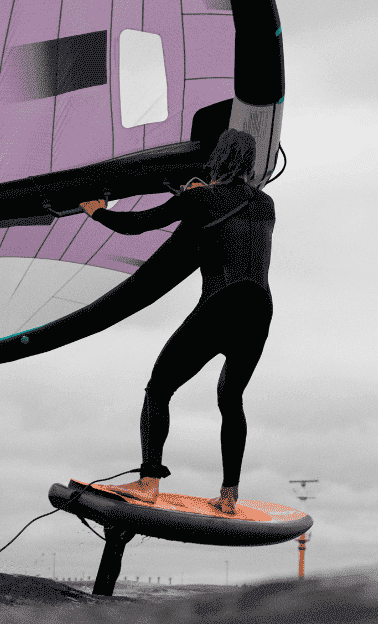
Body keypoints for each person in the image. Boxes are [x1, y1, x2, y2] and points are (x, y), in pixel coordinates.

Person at [79, 129, 275, 515]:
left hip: (222, 305)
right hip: (260, 309)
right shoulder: (267, 204)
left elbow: (138, 225)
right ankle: (229, 496)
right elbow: (228, 225)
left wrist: (96, 210)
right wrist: (195, 195)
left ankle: (148, 481)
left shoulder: (200, 197)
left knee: (159, 388)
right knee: (231, 399)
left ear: (218, 157)